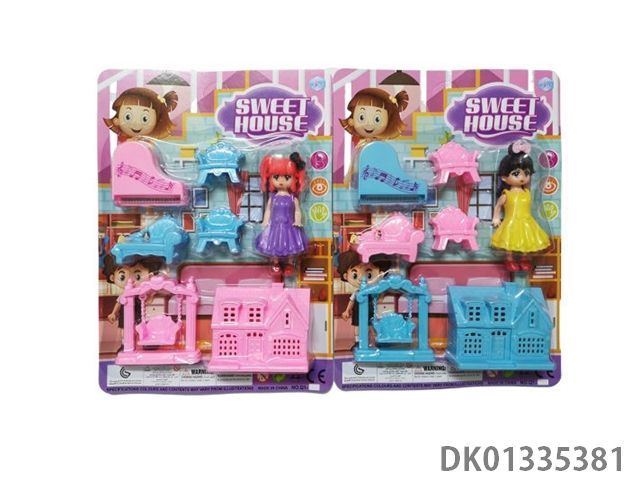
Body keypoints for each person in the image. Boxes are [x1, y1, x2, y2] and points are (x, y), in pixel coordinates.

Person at [491, 140, 551, 271]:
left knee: (526, 240)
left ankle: (524, 259)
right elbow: (498, 206)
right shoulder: (507, 194)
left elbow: (529, 183)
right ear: (504, 177)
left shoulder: (527, 192)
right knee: (509, 242)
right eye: (516, 174)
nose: (522, 177)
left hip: (527, 222)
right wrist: (496, 218)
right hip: (511, 222)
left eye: (527, 173)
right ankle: (509, 260)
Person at [339, 88, 409, 186]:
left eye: (377, 119)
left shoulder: (382, 147)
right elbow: (354, 163)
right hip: (362, 181)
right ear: (352, 120)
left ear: (389, 121)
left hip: (378, 184)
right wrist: (348, 175)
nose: (368, 124)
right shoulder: (361, 146)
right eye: (362, 117)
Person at [254, 152, 309, 275]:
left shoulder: (292, 198)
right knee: (273, 244)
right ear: (270, 178)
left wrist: (298, 220)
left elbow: (297, 210)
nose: (281, 181)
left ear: (295, 179)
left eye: (287, 177)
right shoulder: (273, 198)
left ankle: (290, 263)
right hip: (274, 226)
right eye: (276, 177)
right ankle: (275, 263)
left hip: (289, 226)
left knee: (291, 245)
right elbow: (268, 210)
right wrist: (265, 220)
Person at [102, 254, 164, 351]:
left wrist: (151, 295)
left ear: (150, 275)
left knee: (139, 328)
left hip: (137, 315)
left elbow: (148, 302)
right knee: (124, 330)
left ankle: (143, 342)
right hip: (124, 315)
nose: (130, 280)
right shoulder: (123, 295)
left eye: (138, 276)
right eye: (122, 277)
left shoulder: (140, 295)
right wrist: (113, 313)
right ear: (113, 278)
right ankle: (125, 344)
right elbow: (118, 303)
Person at [336, 250, 391, 350]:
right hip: (357, 313)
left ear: (380, 274)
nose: (362, 279)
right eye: (355, 275)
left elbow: (379, 300)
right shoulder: (356, 293)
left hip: (370, 313)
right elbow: (351, 301)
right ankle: (358, 342)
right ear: (346, 276)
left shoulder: (372, 292)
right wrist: (346, 311)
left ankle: (376, 341)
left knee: (372, 327)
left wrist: (382, 291)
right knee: (357, 328)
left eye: (369, 275)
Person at [103, 87, 178, 142]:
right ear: (117, 120)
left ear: (157, 121)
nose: (136, 123)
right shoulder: (123, 140)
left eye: (145, 119)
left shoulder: (149, 143)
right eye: (128, 117)